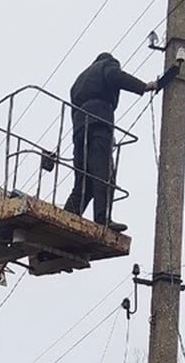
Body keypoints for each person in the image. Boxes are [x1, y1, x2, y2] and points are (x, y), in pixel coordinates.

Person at [63, 52, 157, 232]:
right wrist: (143, 86)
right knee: (103, 173)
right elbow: (115, 76)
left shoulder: (79, 80)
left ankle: (68, 215)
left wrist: (80, 128)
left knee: (83, 179)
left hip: (79, 127)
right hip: (99, 121)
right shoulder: (108, 64)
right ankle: (103, 219)